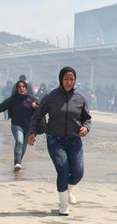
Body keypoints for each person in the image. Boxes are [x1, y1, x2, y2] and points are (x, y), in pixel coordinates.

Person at [29, 66, 91, 215]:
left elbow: (87, 118)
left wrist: (86, 128)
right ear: (60, 80)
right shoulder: (52, 97)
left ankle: (67, 191)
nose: (68, 82)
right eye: (66, 79)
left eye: (71, 79)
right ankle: (63, 204)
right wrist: (32, 132)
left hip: (74, 140)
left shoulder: (80, 98)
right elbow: (37, 115)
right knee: (63, 170)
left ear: (75, 80)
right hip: (55, 140)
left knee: (78, 173)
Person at [0, 77, 38, 171]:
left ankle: (18, 162)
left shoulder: (31, 99)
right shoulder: (13, 99)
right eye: (19, 87)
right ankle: (17, 163)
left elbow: (40, 111)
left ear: (26, 88)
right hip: (16, 125)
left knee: (24, 146)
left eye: (23, 87)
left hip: (28, 126)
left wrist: (35, 106)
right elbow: (0, 107)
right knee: (19, 142)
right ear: (16, 89)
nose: (21, 88)